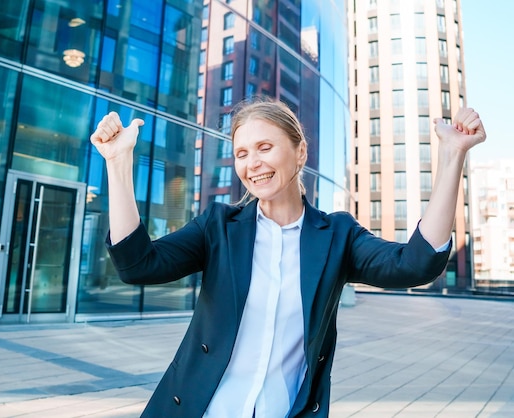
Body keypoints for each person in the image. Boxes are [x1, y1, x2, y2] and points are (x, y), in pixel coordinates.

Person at [89, 98, 486, 418]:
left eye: (265, 147)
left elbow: (416, 263)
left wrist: (452, 156)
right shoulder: (219, 227)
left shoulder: (337, 235)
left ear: (300, 153)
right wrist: (117, 164)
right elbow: (138, 264)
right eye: (242, 153)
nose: (252, 163)